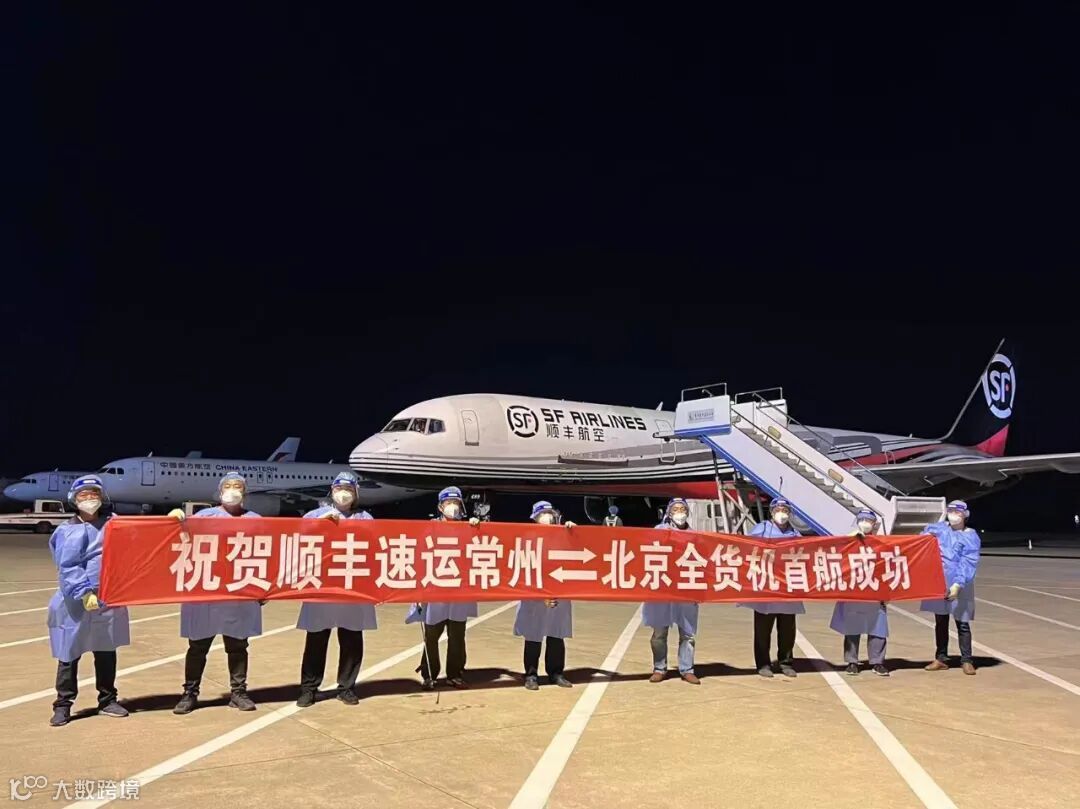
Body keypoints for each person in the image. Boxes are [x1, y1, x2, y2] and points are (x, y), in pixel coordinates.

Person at [170, 472, 263, 713]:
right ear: (220, 491)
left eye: (238, 486)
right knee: (198, 647)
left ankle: (238, 692)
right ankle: (189, 693)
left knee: (238, 646)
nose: (233, 490)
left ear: (245, 492)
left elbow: (268, 554)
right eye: (228, 486)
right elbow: (179, 541)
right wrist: (174, 522)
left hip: (238, 593)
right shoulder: (204, 517)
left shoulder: (255, 520)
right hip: (206, 592)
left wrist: (264, 588)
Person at [47, 475, 131, 727]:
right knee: (69, 652)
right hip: (76, 601)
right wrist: (84, 591)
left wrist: (169, 521)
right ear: (74, 499)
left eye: (94, 493)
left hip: (108, 598)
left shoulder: (113, 524)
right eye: (84, 495)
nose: (90, 498)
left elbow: (140, 534)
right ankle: (63, 704)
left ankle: (107, 700)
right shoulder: (68, 530)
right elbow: (68, 566)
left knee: (106, 650)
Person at [296, 471, 377, 708]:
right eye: (339, 489)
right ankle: (309, 688)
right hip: (323, 586)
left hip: (352, 587)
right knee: (316, 639)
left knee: (351, 639)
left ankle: (347, 687)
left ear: (356, 494)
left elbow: (375, 545)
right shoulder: (315, 515)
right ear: (331, 491)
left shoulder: (365, 518)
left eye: (349, 490)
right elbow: (296, 537)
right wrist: (318, 525)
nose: (344, 494)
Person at [409, 486, 480, 689]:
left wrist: (477, 528)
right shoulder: (430, 528)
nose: (453, 507)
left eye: (456, 503)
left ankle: (455, 673)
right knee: (432, 635)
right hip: (436, 589)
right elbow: (419, 556)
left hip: (459, 591)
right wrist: (418, 588)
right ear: (440, 507)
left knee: (457, 635)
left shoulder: (467, 528)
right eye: (448, 503)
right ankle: (429, 674)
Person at [514, 501, 575, 690]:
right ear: (535, 518)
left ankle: (556, 673)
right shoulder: (527, 540)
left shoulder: (563, 536)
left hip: (559, 595)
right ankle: (531, 675)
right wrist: (540, 595)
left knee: (556, 635)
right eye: (543, 514)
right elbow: (523, 569)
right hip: (535, 596)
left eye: (550, 513)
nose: (547, 517)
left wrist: (574, 532)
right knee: (533, 636)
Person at [743, 497, 804, 678]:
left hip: (787, 588)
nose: (782, 513)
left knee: (787, 630)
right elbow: (746, 548)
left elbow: (806, 554)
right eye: (778, 510)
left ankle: (785, 662)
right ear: (771, 512)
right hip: (766, 587)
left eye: (785, 510)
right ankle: (763, 663)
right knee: (763, 629)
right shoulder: (761, 529)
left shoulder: (795, 533)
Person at [920, 500, 982, 675]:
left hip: (959, 584)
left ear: (965, 515)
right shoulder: (940, 529)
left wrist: (958, 584)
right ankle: (941, 658)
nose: (953, 515)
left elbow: (969, 561)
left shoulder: (970, 536)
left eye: (957, 512)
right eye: (951, 511)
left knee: (962, 623)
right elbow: (921, 539)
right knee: (941, 621)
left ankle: (967, 660)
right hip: (939, 581)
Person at [643, 498, 700, 685]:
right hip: (663, 589)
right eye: (675, 509)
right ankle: (659, 668)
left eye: (683, 509)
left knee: (688, 634)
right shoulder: (659, 531)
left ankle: (687, 669)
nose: (679, 512)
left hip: (685, 589)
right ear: (669, 512)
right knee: (659, 633)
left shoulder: (694, 535)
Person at [829, 508, 890, 676]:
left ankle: (877, 662)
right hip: (854, 590)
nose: (865, 523)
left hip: (875, 590)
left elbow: (888, 565)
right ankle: (852, 661)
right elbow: (837, 556)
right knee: (852, 627)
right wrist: (851, 538)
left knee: (878, 628)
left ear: (874, 524)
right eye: (862, 520)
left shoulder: (880, 542)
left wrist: (888, 591)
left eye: (868, 521)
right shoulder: (849, 540)